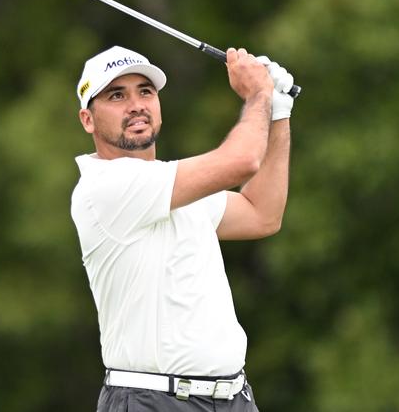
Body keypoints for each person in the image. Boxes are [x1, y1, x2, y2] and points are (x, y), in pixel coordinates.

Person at [70, 45, 296, 411]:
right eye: (116, 96)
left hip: (234, 398)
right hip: (152, 400)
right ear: (88, 120)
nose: (136, 105)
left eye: (145, 91)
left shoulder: (171, 184)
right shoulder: (103, 187)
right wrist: (258, 95)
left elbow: (262, 214)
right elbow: (243, 160)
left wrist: (277, 112)